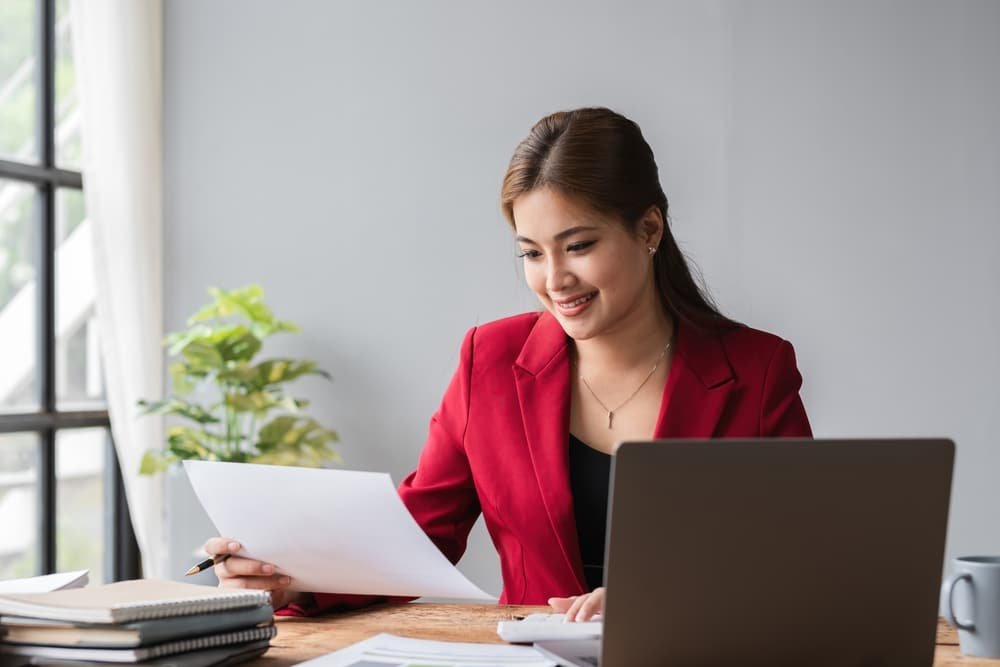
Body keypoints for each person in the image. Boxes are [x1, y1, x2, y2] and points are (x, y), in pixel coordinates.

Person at [204, 107, 812, 622]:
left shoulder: (757, 370)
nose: (555, 280)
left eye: (579, 245)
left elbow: (794, 559)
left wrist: (661, 603)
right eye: (531, 253)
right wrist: (293, 579)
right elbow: (420, 534)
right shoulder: (489, 360)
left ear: (648, 227)